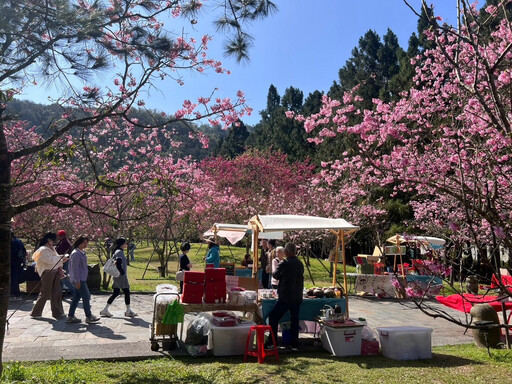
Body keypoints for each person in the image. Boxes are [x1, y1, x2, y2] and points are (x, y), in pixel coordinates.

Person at [268, 242, 304, 351]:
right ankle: (294, 345)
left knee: (273, 317)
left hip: (285, 296)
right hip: (297, 296)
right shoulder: (299, 263)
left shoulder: (284, 263)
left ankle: (273, 342)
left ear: (286, 252)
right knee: (294, 320)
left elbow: (275, 275)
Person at [30, 232, 68, 319]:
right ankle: (36, 313)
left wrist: (62, 259)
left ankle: (57, 312)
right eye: (54, 239)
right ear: (49, 240)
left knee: (57, 292)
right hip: (47, 272)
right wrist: (61, 258)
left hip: (54, 271)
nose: (56, 241)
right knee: (45, 293)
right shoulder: (43, 250)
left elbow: (55, 259)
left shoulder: (51, 248)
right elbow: (49, 260)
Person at [66, 235, 100, 324]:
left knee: (77, 297)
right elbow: (74, 268)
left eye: (86, 243)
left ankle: (71, 316)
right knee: (86, 296)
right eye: (83, 243)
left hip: (82, 278)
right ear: (78, 243)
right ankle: (88, 316)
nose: (85, 245)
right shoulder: (76, 253)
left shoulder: (81, 252)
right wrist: (77, 280)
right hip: (79, 279)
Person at [100, 238, 137, 317]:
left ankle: (105, 309)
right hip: (121, 276)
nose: (126, 244)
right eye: (125, 243)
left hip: (117, 276)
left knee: (116, 293)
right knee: (126, 292)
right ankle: (128, 311)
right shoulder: (119, 252)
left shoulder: (117, 251)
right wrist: (122, 273)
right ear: (121, 244)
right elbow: (118, 263)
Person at [56, 230, 75, 296]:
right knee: (60, 278)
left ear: (62, 236)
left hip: (65, 261)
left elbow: (62, 253)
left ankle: (75, 292)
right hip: (63, 261)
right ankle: (59, 293)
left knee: (63, 278)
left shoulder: (64, 243)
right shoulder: (63, 242)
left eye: (59, 236)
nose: (58, 237)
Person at [10, 231, 27, 300]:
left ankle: (16, 294)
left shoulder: (13, 242)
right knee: (14, 277)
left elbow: (12, 253)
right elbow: (24, 251)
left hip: (14, 261)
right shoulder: (19, 241)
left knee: (13, 278)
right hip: (19, 261)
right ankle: (14, 293)